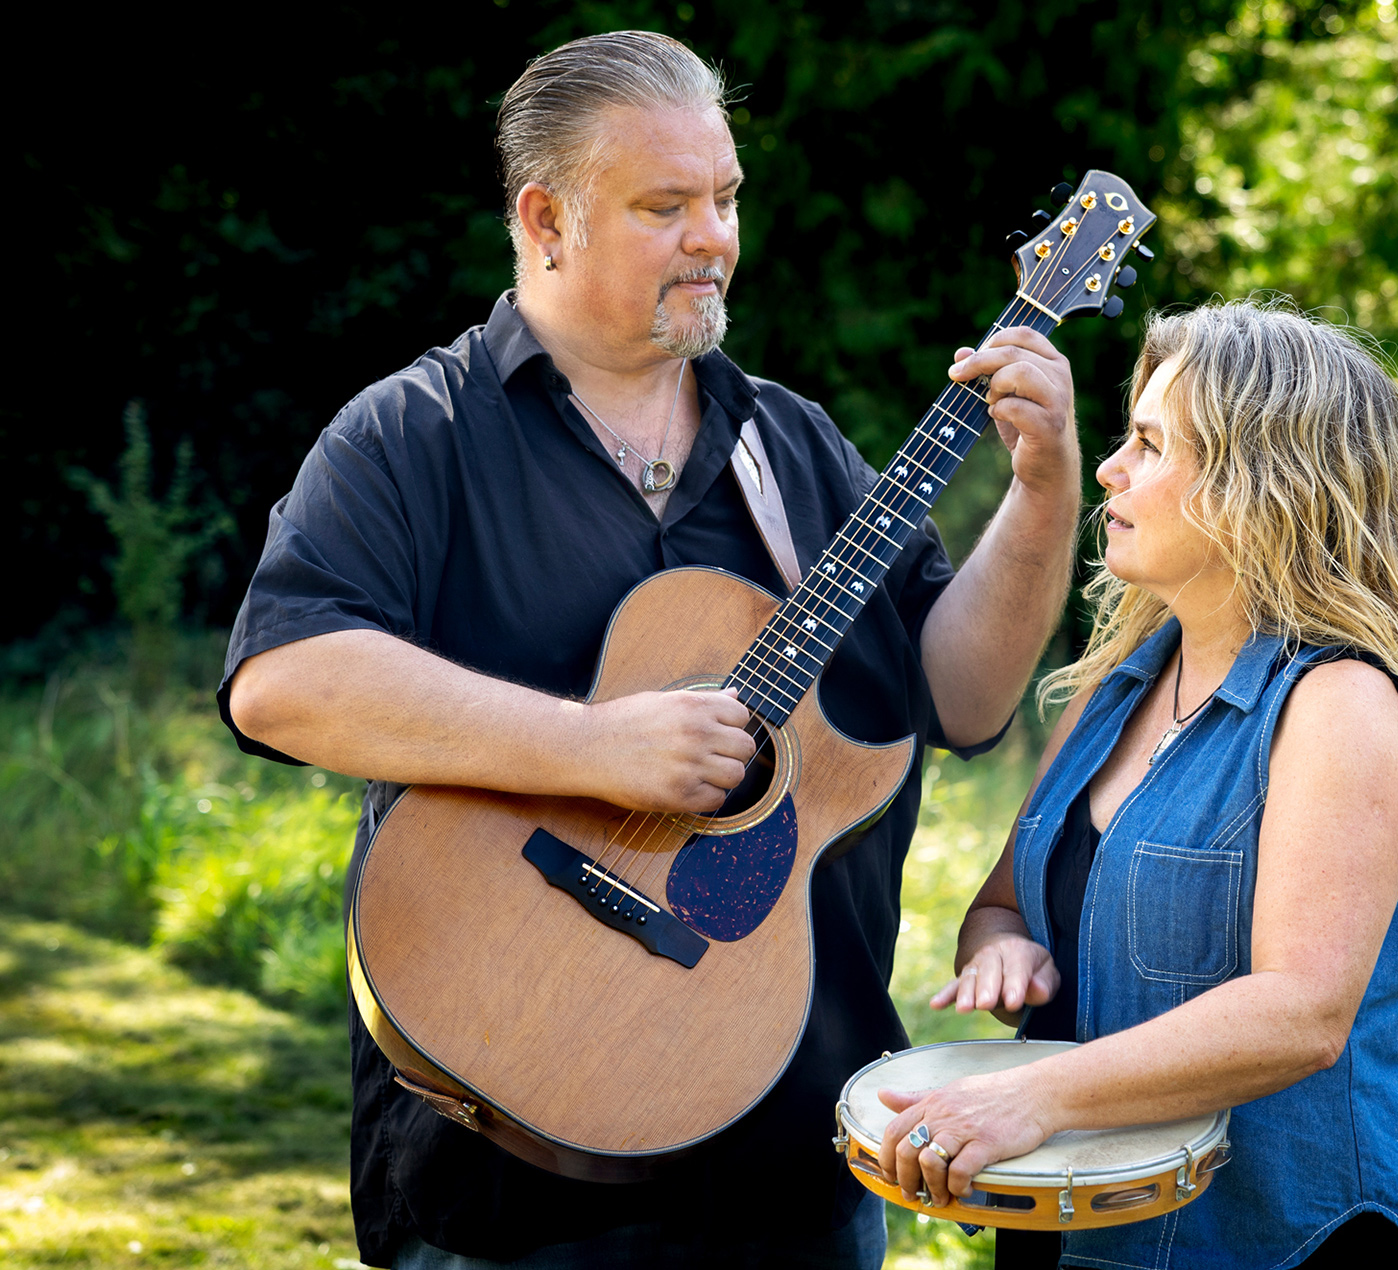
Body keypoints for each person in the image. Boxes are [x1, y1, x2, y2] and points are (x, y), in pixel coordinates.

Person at [220, 31, 1083, 1270]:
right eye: (666, 205)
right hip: (510, 1168)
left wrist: (1041, 493)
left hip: (797, 1154)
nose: (714, 237)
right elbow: (283, 683)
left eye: (726, 197)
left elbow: (962, 694)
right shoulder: (413, 435)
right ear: (546, 217)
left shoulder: (793, 445)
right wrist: (587, 747)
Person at [877, 298, 1398, 1269]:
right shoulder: (1115, 691)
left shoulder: (1342, 705)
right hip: (1077, 1225)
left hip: (1278, 1238)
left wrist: (1030, 1094)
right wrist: (1004, 952)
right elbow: (999, 904)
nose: (1111, 469)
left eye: (1152, 446)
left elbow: (1301, 1011)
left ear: (1264, 484)